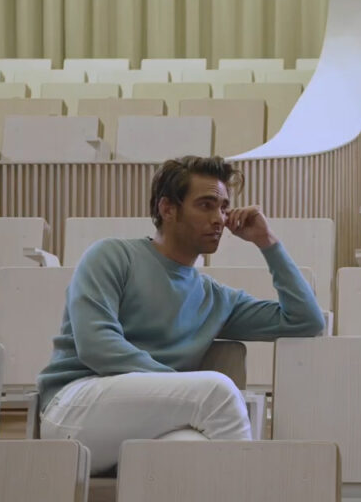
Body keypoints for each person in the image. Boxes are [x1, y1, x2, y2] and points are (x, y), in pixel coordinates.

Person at [37, 156, 325, 475]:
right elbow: (98, 347)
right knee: (217, 392)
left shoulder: (215, 298)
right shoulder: (112, 256)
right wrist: (184, 387)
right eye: (206, 205)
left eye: (224, 207)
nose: (219, 219)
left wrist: (267, 242)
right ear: (168, 209)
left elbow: (306, 321)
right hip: (73, 407)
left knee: (193, 454)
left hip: (154, 416)